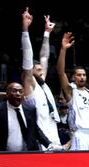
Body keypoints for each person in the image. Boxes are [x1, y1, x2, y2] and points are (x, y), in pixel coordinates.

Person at [21, 7, 66, 150]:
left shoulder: (42, 84)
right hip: (40, 142)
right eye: (38, 70)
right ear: (31, 72)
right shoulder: (29, 83)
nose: (42, 72)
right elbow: (28, 54)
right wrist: (25, 29)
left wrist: (47, 33)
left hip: (54, 137)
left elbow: (44, 57)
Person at [0, 82, 60, 151]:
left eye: (20, 91)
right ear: (7, 94)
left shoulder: (30, 109)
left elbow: (35, 129)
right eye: (14, 91)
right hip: (1, 154)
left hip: (26, 153)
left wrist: (49, 144)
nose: (18, 94)